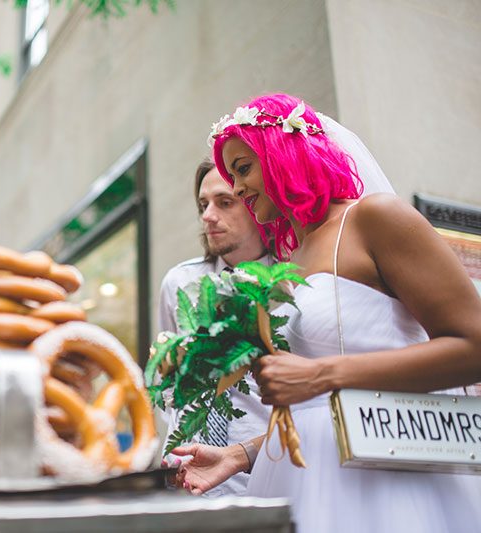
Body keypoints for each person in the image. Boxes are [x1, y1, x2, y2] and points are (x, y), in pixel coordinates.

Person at [175, 93, 481, 532]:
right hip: (305, 475)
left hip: (387, 486)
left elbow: (474, 345)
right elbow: (326, 409)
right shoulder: (294, 257)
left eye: (243, 169)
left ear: (283, 153)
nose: (237, 188)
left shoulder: (375, 218)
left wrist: (321, 375)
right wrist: (241, 454)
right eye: (231, 175)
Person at [158, 159, 271, 496]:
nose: (208, 216)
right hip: (185, 482)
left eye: (225, 202)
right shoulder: (179, 283)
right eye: (203, 204)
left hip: (261, 477)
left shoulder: (290, 285)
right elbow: (166, 377)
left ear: (256, 202)